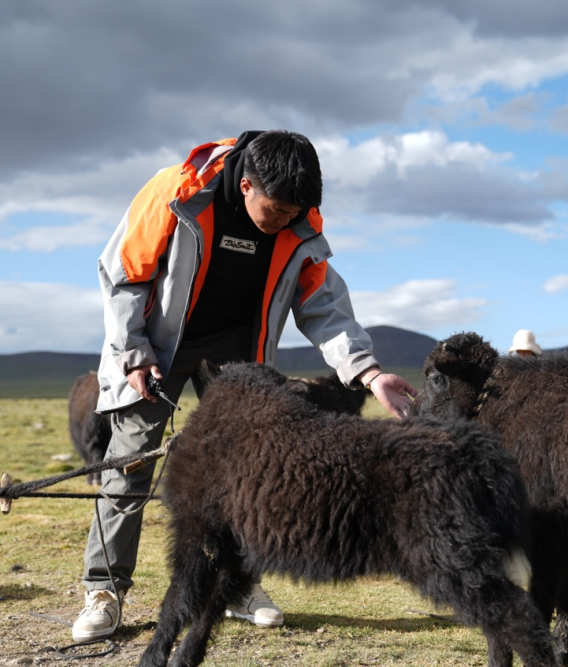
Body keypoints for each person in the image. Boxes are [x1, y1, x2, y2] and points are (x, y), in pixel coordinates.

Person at [71, 130, 417, 643]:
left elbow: (323, 306)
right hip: (157, 345)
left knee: (245, 471)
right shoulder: (178, 191)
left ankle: (236, 586)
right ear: (247, 184)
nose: (283, 221)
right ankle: (103, 590)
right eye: (276, 210)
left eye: (294, 213)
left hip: (237, 356)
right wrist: (133, 351)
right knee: (131, 460)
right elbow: (124, 274)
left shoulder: (299, 225)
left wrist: (368, 373)